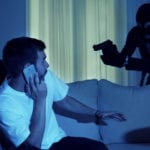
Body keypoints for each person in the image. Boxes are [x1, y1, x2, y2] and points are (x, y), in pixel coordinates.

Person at [0, 37, 126, 150]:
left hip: (58, 143)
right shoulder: (4, 104)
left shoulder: (45, 76)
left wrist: (96, 113)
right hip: (35, 147)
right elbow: (33, 146)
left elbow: (64, 100)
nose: (47, 65)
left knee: (98, 148)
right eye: (43, 60)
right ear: (28, 68)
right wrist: (40, 100)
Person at [93, 3, 150, 86]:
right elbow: (122, 59)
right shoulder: (136, 33)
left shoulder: (137, 33)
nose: (146, 34)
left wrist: (125, 61)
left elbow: (127, 61)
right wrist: (111, 55)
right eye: (142, 29)